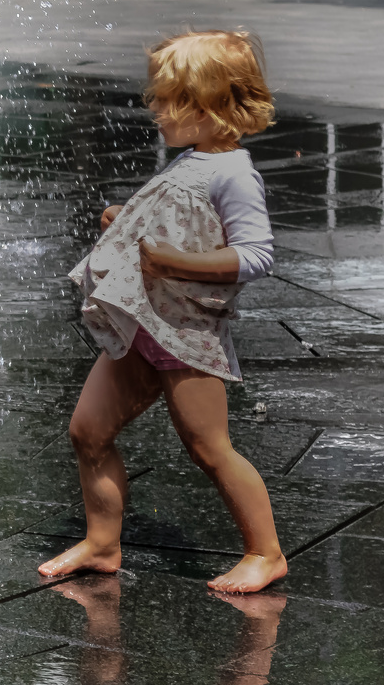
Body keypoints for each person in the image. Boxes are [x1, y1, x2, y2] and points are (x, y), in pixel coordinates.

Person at [39, 29, 288, 595]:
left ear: (211, 105)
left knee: (208, 447)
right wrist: (125, 218)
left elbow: (257, 254)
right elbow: (183, 218)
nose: (153, 109)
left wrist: (175, 261)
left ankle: (265, 552)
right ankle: (103, 542)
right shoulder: (192, 160)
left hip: (184, 332)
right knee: (88, 431)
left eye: (167, 98)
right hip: (142, 324)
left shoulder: (233, 172)